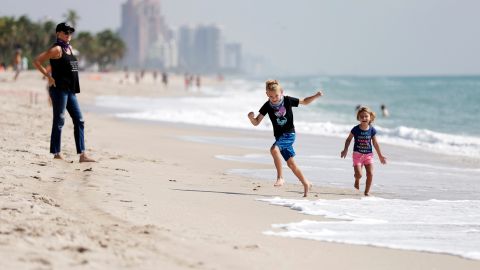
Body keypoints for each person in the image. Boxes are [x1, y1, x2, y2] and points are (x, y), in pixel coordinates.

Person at [248, 79, 323, 197]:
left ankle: (280, 177)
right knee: (291, 164)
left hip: (289, 134)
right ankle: (306, 183)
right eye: (271, 96)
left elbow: (304, 101)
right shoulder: (267, 106)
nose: (274, 98)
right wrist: (251, 118)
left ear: (281, 92)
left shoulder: (287, 100)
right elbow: (257, 122)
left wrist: (316, 95)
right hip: (280, 137)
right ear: (267, 94)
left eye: (276, 95)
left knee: (274, 149)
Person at [33, 22, 95, 163]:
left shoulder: (70, 48)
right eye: (65, 32)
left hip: (70, 91)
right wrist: (48, 76)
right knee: (59, 120)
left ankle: (82, 154)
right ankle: (56, 153)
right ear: (58, 33)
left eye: (70, 32)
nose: (68, 35)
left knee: (79, 120)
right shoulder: (56, 49)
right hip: (59, 90)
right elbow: (37, 61)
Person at [340, 106, 386, 196]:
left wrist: (380, 156)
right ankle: (357, 180)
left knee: (370, 173)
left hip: (368, 155)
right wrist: (345, 149)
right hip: (357, 155)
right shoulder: (355, 129)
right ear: (358, 118)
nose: (364, 118)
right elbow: (348, 139)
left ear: (370, 117)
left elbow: (375, 143)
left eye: (366, 116)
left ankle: (367, 192)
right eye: (361, 116)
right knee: (359, 175)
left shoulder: (372, 130)